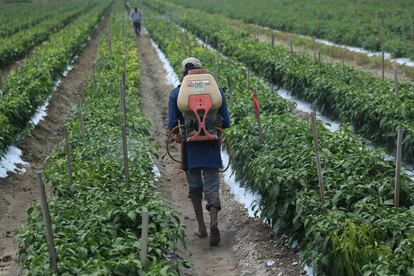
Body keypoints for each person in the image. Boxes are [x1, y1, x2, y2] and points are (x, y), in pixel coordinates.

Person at [167, 57, 231, 246]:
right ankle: (214, 220)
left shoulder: (177, 94)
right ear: (201, 69)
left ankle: (202, 228)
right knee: (212, 184)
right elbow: (226, 122)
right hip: (211, 146)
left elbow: (171, 124)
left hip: (190, 148)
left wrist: (179, 134)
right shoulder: (216, 91)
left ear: (183, 73)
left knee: (195, 187)